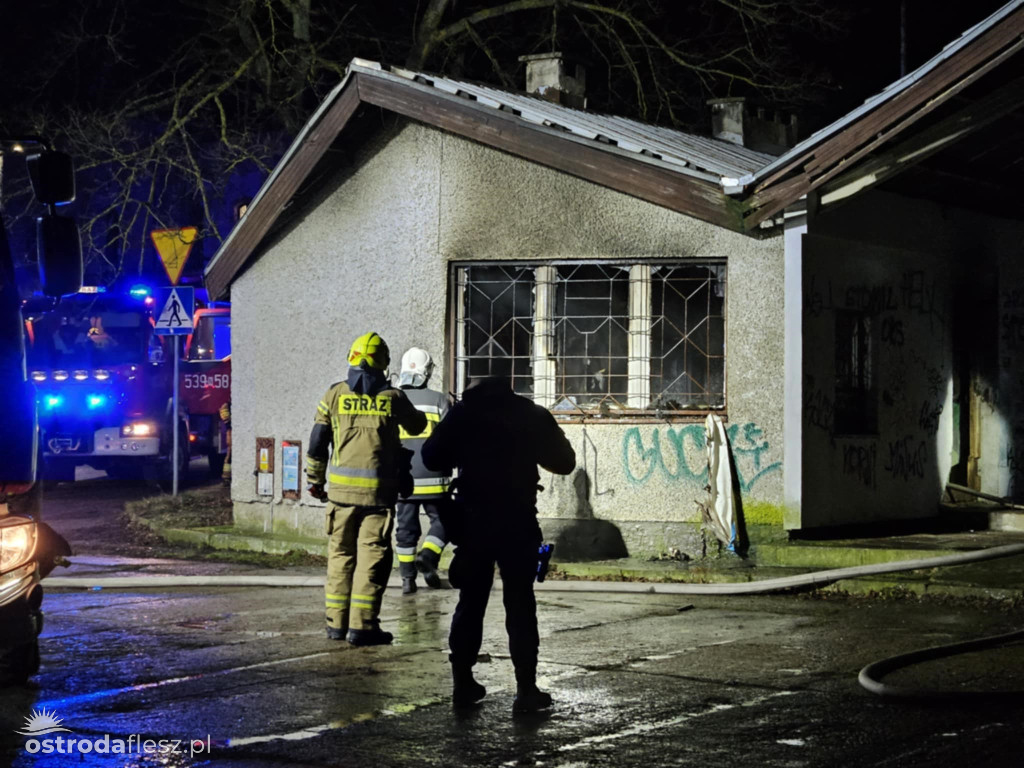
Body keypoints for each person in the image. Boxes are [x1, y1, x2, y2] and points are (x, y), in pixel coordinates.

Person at [421, 375, 575, 713]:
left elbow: (431, 457)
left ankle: (463, 683)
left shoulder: (464, 414)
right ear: (509, 387)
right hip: (518, 520)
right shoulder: (530, 413)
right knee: (520, 604)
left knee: (471, 602)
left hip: (474, 521)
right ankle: (526, 689)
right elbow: (565, 462)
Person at [306, 331, 427, 646]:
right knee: (371, 559)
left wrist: (314, 481)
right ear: (383, 363)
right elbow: (417, 426)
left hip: (340, 498)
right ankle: (363, 627)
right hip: (377, 497)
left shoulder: (333, 396)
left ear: (351, 359)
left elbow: (318, 442)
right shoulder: (393, 398)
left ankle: (336, 624)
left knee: (340, 557)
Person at [394, 347, 454, 595]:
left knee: (405, 531)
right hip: (435, 478)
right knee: (444, 522)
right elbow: (451, 438)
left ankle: (408, 579)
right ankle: (428, 557)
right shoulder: (439, 400)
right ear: (427, 372)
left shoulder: (393, 398)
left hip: (403, 479)